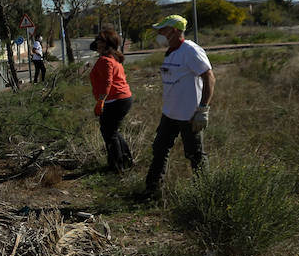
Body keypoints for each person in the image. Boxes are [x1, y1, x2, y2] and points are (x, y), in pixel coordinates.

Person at [143, 15, 215, 197]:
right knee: (159, 149)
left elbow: (209, 77)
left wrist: (203, 109)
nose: (159, 34)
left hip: (189, 115)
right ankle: (152, 191)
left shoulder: (190, 50)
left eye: (163, 30)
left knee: (195, 155)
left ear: (174, 31)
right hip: (169, 114)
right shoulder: (171, 51)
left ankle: (205, 194)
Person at [89, 28, 134, 172]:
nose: (97, 43)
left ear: (107, 44)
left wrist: (100, 101)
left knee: (109, 132)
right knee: (112, 131)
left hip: (115, 100)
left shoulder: (105, 60)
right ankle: (126, 161)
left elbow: (107, 82)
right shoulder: (113, 58)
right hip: (122, 99)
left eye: (100, 41)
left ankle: (117, 166)